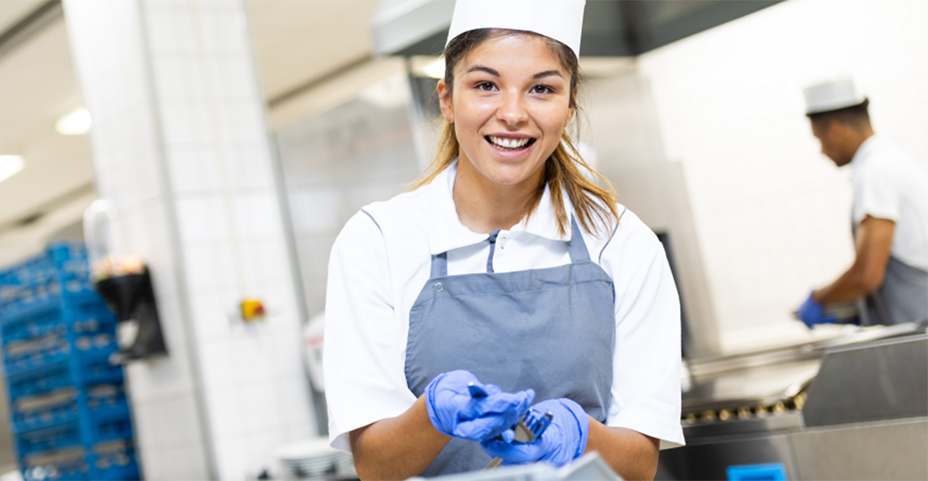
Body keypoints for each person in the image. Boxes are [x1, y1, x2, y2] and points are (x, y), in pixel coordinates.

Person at [323, 0, 684, 478]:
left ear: (570, 103)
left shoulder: (622, 242)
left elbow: (639, 464)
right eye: (486, 85)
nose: (512, 113)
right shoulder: (378, 242)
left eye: (541, 88)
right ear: (447, 99)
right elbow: (375, 465)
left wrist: (579, 435)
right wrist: (432, 416)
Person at [797, 79, 928, 327]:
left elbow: (866, 277)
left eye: (819, 139)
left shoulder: (875, 172)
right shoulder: (893, 161)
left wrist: (817, 299)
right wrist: (865, 313)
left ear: (836, 129)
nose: (822, 151)